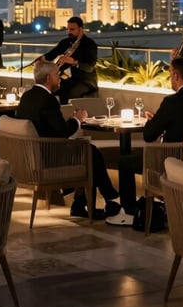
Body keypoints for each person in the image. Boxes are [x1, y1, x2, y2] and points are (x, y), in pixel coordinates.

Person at [107, 56, 183, 226]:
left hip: (173, 162)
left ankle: (129, 212)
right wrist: (160, 120)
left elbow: (149, 135)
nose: (169, 79)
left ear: (175, 76)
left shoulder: (172, 102)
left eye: (169, 75)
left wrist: (153, 122)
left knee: (125, 162)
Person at [15, 60, 121, 220]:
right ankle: (110, 199)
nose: (60, 78)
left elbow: (51, 128)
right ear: (48, 77)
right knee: (90, 152)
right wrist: (78, 119)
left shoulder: (27, 97)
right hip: (48, 156)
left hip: (31, 155)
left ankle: (85, 204)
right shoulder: (48, 100)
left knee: (87, 151)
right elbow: (63, 132)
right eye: (57, 74)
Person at [40, 16, 98, 104]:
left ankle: (68, 115)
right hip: (65, 79)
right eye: (68, 29)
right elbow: (51, 54)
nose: (69, 32)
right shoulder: (66, 42)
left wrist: (73, 62)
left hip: (84, 80)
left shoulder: (89, 45)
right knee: (46, 90)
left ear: (81, 29)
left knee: (68, 92)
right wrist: (40, 60)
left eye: (72, 29)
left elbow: (89, 67)